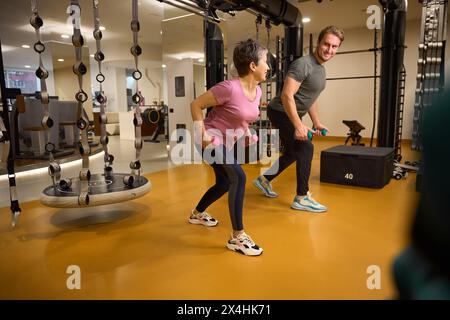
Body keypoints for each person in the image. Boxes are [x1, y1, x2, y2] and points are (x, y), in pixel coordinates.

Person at [189, 39, 269, 256]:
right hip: (209, 138)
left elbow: (241, 119)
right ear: (253, 66)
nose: (268, 67)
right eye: (265, 61)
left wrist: (248, 133)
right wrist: (202, 135)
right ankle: (237, 237)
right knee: (239, 177)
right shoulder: (229, 88)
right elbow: (195, 105)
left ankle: (197, 213)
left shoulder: (258, 92)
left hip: (227, 141)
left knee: (224, 182)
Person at [253, 25, 344, 213]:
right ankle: (302, 197)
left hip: (288, 112)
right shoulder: (304, 64)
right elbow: (287, 96)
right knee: (306, 147)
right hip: (280, 111)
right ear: (318, 42)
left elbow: (310, 99)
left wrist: (316, 122)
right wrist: (298, 125)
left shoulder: (320, 69)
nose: (329, 50)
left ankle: (264, 179)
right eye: (326, 44)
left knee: (294, 152)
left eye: (334, 46)